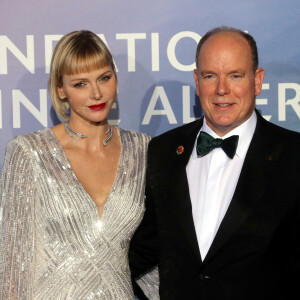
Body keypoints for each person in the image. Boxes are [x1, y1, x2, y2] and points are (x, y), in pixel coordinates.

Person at [129, 26, 300, 299]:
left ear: (257, 80)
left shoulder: (294, 156)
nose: (222, 89)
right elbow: (141, 249)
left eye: (235, 75)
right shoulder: (162, 151)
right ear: (197, 81)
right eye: (211, 76)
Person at [0, 30, 151, 299]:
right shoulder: (29, 152)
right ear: (61, 89)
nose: (96, 93)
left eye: (104, 78)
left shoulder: (143, 150)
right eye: (80, 84)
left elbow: (157, 250)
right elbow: (14, 264)